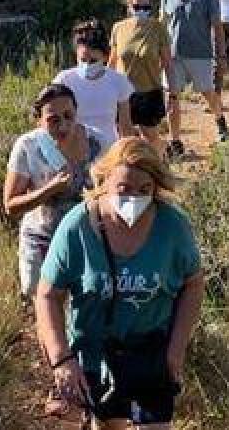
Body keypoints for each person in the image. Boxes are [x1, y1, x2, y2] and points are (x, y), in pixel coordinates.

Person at [36, 137, 205, 429]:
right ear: (105, 183)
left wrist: (176, 349)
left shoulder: (172, 225)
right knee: (107, 424)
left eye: (144, 190)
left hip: (152, 352)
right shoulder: (78, 226)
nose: (134, 197)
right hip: (96, 356)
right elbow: (48, 295)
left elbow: (194, 282)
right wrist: (62, 358)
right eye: (124, 189)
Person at [3, 83, 105, 301]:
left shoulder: (97, 142)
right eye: (53, 120)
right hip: (41, 237)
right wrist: (48, 190)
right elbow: (11, 205)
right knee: (42, 301)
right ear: (39, 120)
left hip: (84, 236)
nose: (63, 126)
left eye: (69, 116)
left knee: (83, 306)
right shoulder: (28, 146)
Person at [161, 0, 229, 157]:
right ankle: (175, 141)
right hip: (173, 56)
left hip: (200, 54)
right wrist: (158, 53)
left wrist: (221, 55)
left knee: (208, 93)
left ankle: (220, 121)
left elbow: (216, 26)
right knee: (172, 97)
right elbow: (162, 24)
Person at [53, 20, 135, 152]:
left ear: (105, 57)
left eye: (93, 61)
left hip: (109, 151)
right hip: (75, 150)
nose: (87, 65)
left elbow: (125, 126)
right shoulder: (64, 80)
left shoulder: (118, 81)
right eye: (83, 60)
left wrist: (127, 155)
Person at [109, 0, 172, 155]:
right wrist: (105, 87)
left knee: (150, 135)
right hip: (123, 93)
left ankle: (161, 157)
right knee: (124, 136)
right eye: (137, 7)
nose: (141, 10)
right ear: (129, 7)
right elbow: (112, 62)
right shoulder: (118, 28)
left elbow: (167, 62)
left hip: (149, 91)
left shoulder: (158, 28)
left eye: (145, 7)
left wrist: (172, 92)